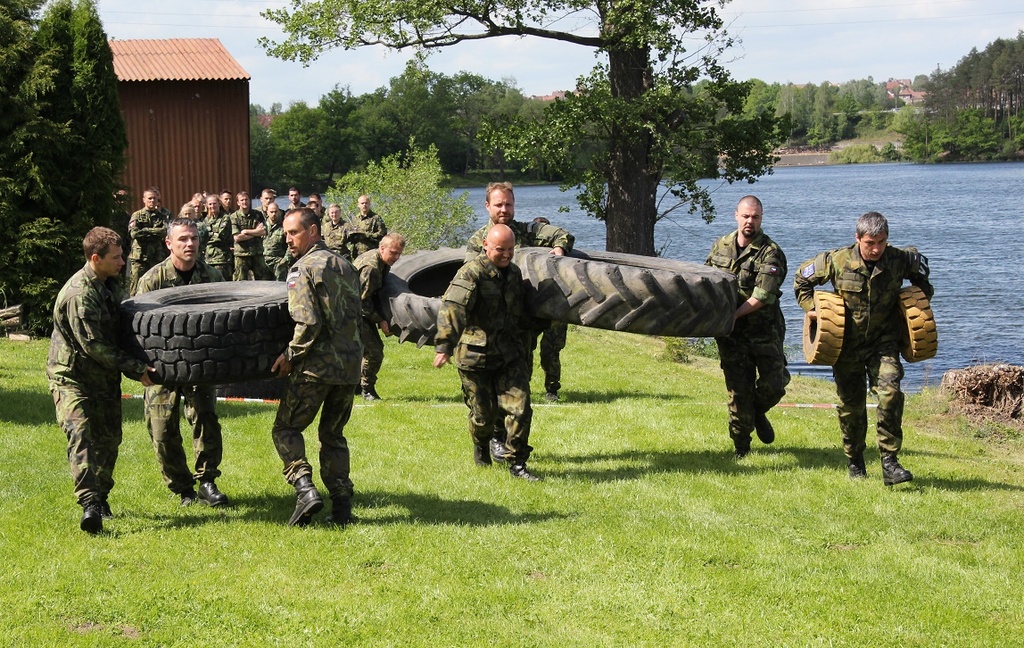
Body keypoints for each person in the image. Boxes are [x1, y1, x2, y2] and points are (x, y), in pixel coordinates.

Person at [794, 211, 933, 485]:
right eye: (870, 242)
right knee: (851, 406)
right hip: (846, 344)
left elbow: (924, 284)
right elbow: (801, 281)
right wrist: (813, 311)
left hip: (883, 341)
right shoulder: (835, 260)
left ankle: (890, 462)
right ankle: (855, 459)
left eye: (881, 242)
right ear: (857, 238)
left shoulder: (900, 259)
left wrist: (915, 303)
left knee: (891, 393)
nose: (876, 248)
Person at [47, 227, 155, 533]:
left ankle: (102, 496)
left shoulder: (110, 283)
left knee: (109, 438)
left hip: (104, 376)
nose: (123, 261)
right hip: (72, 376)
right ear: (96, 258)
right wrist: (136, 369)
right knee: (79, 431)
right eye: (117, 257)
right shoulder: (79, 295)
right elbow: (93, 346)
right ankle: (90, 503)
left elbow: (128, 320)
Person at [466, 182, 574, 461]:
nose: (504, 209)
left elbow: (562, 235)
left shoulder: (529, 231)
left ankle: (508, 445)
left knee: (518, 388)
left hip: (521, 328)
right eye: (499, 204)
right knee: (485, 397)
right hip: (488, 333)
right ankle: (489, 439)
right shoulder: (478, 241)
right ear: (488, 206)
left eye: (509, 204)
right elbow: (468, 280)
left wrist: (558, 251)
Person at [270, 207, 363, 526]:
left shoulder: (302, 269)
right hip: (349, 366)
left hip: (315, 368)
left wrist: (290, 355)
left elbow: (307, 322)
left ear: (313, 231)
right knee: (333, 435)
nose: (288, 239)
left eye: (293, 233)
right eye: (285, 233)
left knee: (285, 428)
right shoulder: (346, 265)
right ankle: (342, 510)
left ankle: (305, 489)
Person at [434, 224, 540, 481]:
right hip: (475, 357)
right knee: (484, 416)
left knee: (520, 408)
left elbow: (522, 312)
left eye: (511, 250)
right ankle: (481, 443)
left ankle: (517, 463)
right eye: (500, 250)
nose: (506, 255)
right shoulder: (471, 274)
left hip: (508, 355)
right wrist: (444, 346)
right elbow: (453, 309)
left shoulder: (514, 273)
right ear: (486, 246)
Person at [137, 219, 230, 507]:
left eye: (193, 239)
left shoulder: (212, 276)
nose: (189, 244)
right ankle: (183, 489)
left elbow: (227, 319)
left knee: (206, 420)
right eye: (182, 240)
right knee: (162, 430)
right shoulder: (152, 281)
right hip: (161, 367)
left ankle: (207, 481)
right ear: (169, 243)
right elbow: (137, 326)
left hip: (200, 365)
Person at [705, 195, 790, 458]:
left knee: (776, 382)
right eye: (745, 216)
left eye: (755, 217)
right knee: (738, 394)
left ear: (761, 218)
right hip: (731, 337)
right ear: (736, 216)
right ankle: (741, 449)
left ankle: (758, 409)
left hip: (765, 333)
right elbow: (706, 280)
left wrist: (733, 315)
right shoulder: (721, 246)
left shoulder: (770, 252)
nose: (749, 222)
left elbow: (763, 296)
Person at [353, 233, 406, 401]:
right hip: (353, 312)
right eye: (393, 252)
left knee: (360, 351)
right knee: (374, 351)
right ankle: (366, 388)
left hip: (357, 309)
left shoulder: (381, 261)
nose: (396, 257)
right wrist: (381, 320)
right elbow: (362, 301)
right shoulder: (371, 268)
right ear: (382, 249)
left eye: (399, 253)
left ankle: (355, 385)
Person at [531, 217, 569, 402]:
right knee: (524, 348)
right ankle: (522, 386)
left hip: (555, 308)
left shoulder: (563, 252)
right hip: (531, 307)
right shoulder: (525, 247)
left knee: (551, 351)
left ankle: (552, 389)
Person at [127, 187, 169, 295]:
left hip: (156, 256)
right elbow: (134, 233)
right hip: (140, 257)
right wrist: (155, 232)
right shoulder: (137, 215)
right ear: (144, 200)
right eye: (149, 198)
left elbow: (165, 231)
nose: (152, 201)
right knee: (135, 287)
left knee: (157, 286)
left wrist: (145, 230)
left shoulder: (162, 216)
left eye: (154, 198)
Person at [232, 191, 268, 280]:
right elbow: (237, 237)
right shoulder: (234, 217)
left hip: (257, 252)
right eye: (242, 200)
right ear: (238, 203)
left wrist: (246, 231)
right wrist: (256, 233)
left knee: (262, 280)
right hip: (242, 254)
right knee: (240, 281)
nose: (245, 202)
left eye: (246, 199)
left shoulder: (257, 214)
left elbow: (263, 232)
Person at [344, 194, 388, 259]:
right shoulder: (355, 219)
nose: (364, 205)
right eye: (362, 203)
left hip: (371, 252)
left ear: (369, 204)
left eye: (366, 203)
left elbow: (382, 234)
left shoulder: (376, 218)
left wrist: (366, 235)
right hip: (357, 253)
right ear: (358, 205)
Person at [204, 192, 234, 279]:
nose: (212, 206)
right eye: (210, 204)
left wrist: (207, 237)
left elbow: (220, 236)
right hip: (208, 259)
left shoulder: (225, 218)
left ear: (219, 204)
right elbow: (201, 236)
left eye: (214, 203)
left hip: (222, 259)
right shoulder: (206, 219)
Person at [263, 202, 290, 280]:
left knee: (280, 286)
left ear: (279, 212)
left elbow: (290, 244)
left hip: (278, 261)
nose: (274, 214)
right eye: (271, 212)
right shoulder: (261, 225)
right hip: (263, 262)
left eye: (276, 212)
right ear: (267, 212)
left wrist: (285, 259)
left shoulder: (284, 226)